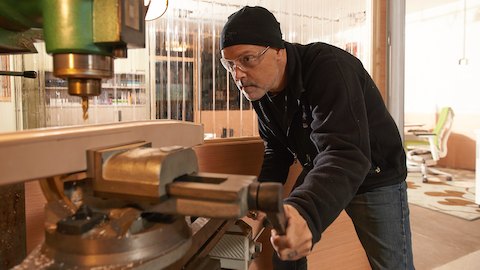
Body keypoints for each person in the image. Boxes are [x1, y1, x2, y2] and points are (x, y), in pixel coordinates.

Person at [219, 6, 414, 270]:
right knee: (286, 241)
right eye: (229, 64)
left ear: (278, 50)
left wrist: (306, 213)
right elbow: (276, 150)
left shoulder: (328, 67)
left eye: (247, 59)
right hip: (324, 166)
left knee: (392, 265)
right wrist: (261, 197)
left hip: (374, 174)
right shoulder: (260, 90)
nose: (238, 75)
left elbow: (346, 153)